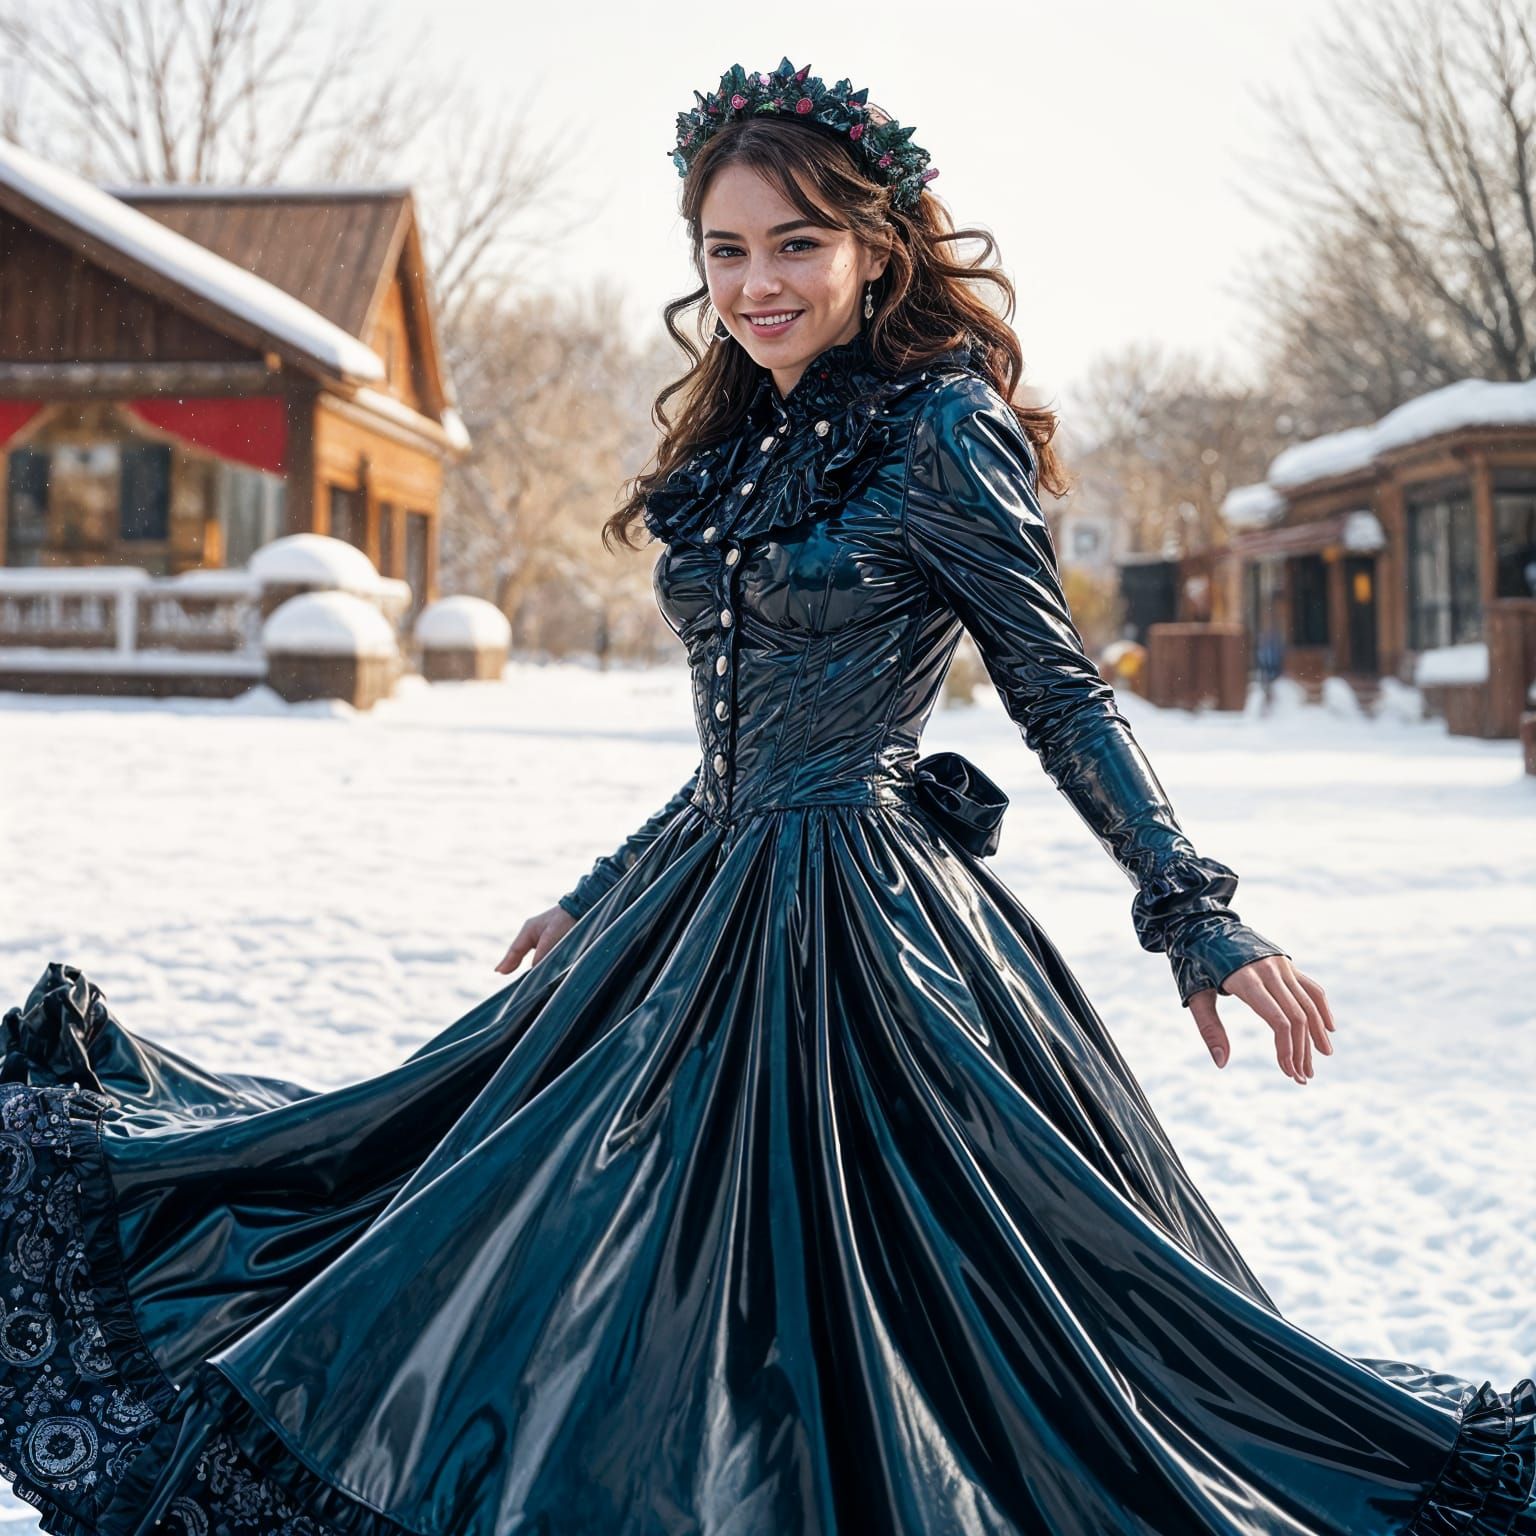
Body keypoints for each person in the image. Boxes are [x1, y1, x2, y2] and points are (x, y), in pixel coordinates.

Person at [0, 55, 1530, 1536]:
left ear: (879, 244)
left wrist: (1195, 918)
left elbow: (1058, 689)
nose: (758, 282)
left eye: (797, 242)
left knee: (891, 1312)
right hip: (695, 910)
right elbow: (737, 743)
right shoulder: (741, 438)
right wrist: (599, 893)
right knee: (510, 1228)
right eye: (725, 250)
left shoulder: (944, 429)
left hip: (866, 940)